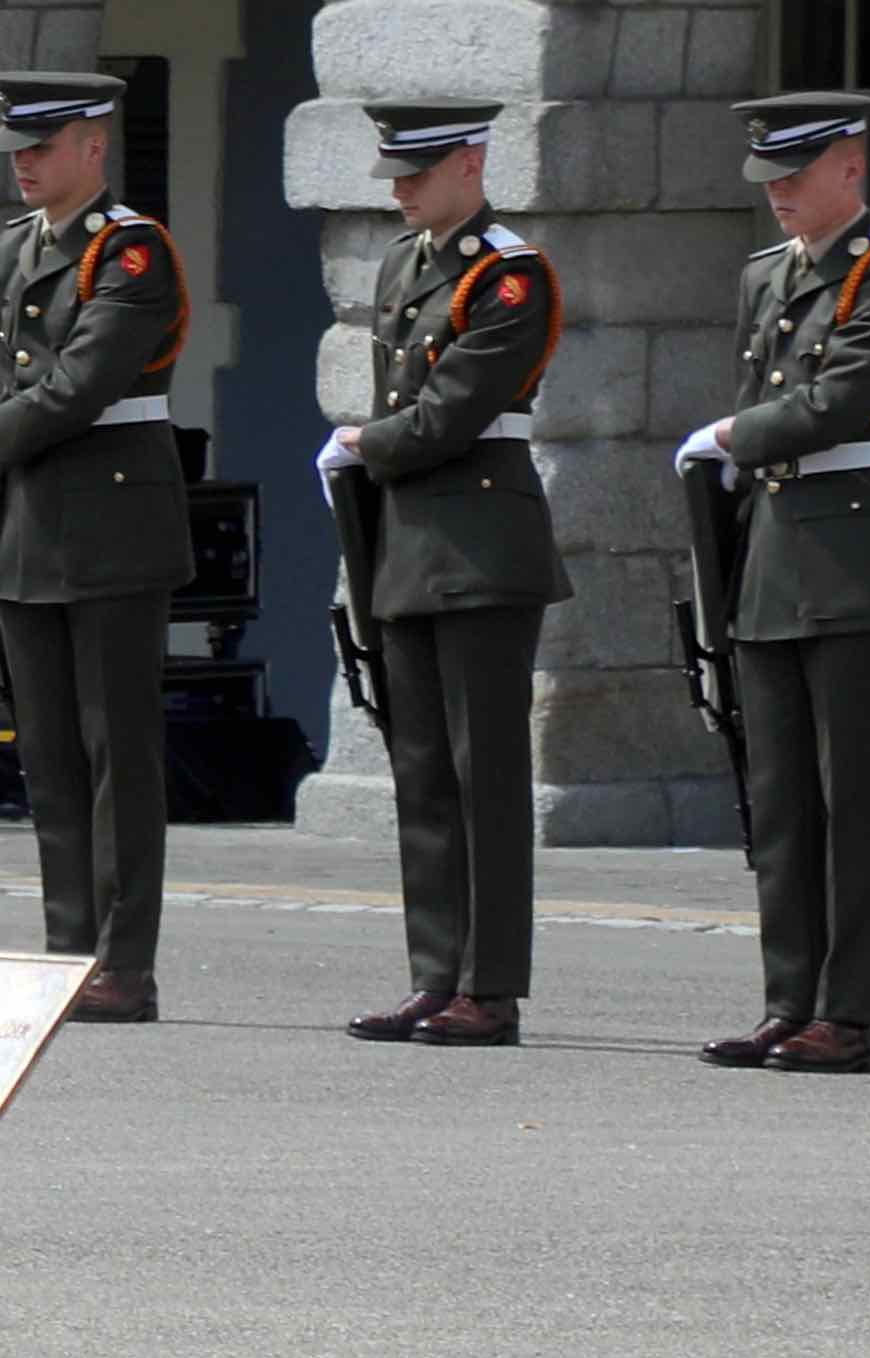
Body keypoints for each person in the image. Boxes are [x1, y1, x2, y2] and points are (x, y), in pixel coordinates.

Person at [686, 93, 870, 1077]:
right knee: (779, 794)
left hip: (852, 554)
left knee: (855, 794)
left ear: (847, 161)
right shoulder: (765, 275)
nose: (777, 195)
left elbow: (841, 399)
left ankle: (847, 1012)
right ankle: (786, 1000)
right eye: (767, 178)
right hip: (772, 550)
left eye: (793, 174)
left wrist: (733, 437)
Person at [0, 72, 193, 1024]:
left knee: (115, 751)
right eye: (17, 150)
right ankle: (67, 953)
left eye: (41, 149)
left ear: (93, 146)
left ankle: (123, 964)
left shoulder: (129, 253)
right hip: (32, 519)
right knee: (49, 753)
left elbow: (84, 381)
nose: (24, 166)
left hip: (113, 520)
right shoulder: (18, 246)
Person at [327, 100, 571, 1051]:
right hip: (410, 541)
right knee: (422, 769)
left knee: (487, 773)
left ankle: (492, 986)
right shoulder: (406, 264)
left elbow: (449, 414)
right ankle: (436, 974)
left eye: (416, 173)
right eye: (395, 173)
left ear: (470, 165)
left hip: (480, 543)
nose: (398, 189)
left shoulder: (509, 274)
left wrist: (362, 440)